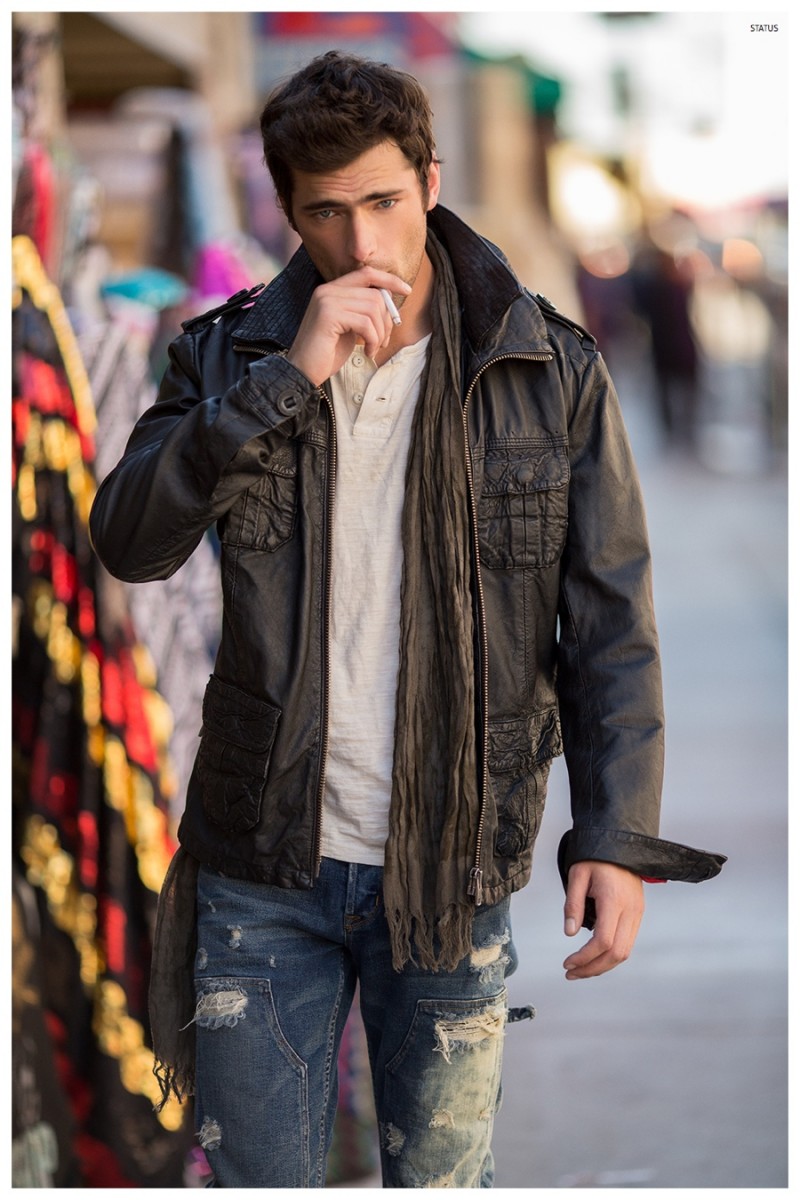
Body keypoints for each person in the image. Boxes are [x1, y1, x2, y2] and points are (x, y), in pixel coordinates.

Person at [89, 50, 725, 1189]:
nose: (362, 242)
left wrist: (614, 838)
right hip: (261, 865)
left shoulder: (545, 368)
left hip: (448, 870)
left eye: (383, 202)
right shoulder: (229, 354)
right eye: (326, 214)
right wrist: (287, 377)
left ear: (430, 181)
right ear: (288, 212)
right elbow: (131, 540)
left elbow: (609, 627)